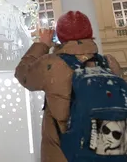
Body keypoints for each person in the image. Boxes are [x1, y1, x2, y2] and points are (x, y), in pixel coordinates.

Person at [15, 11, 121, 162]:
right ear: (90, 34)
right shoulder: (109, 62)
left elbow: (22, 74)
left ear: (60, 36)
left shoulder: (51, 64)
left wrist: (43, 44)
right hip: (105, 148)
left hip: (63, 153)